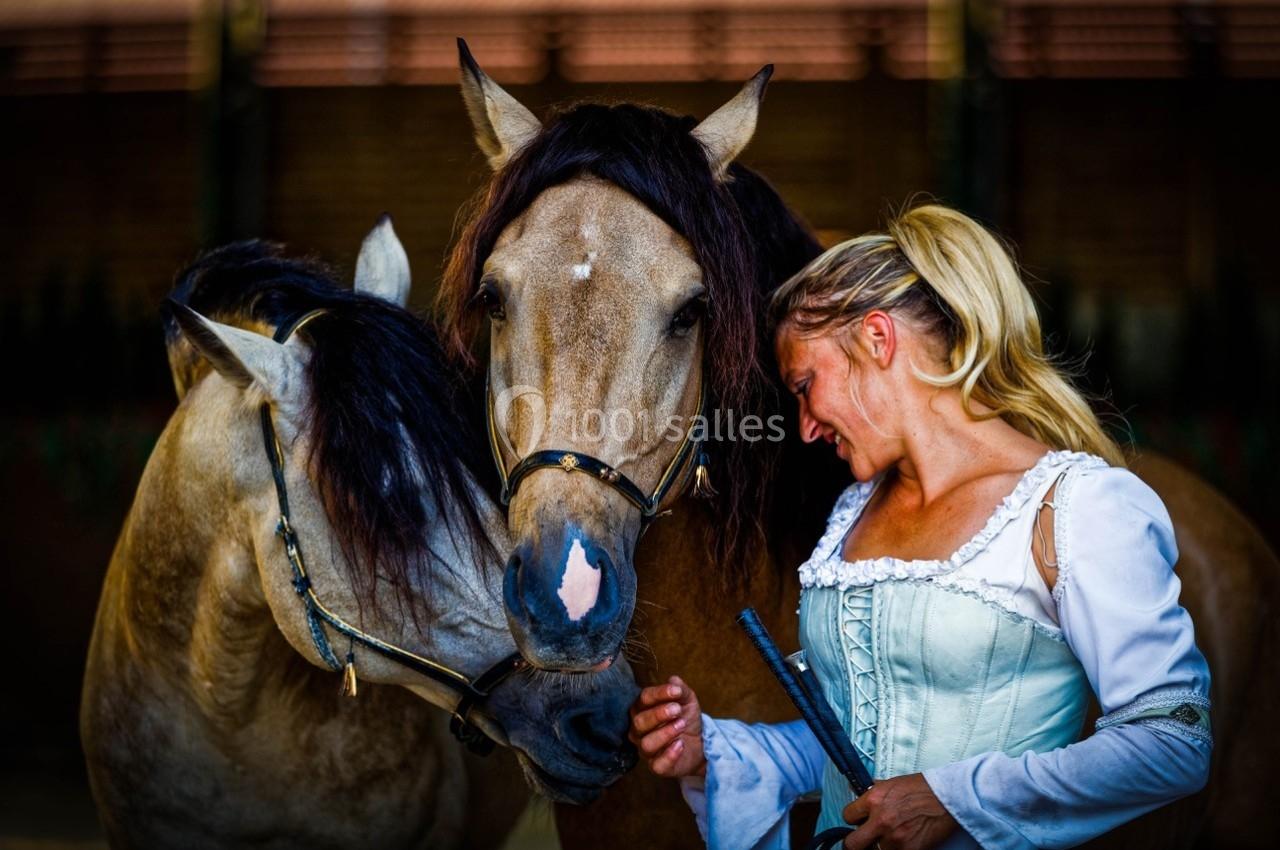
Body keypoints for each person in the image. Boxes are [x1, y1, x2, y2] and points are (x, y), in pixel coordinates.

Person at [627, 204, 1212, 850]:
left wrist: (955, 800)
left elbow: (1172, 738)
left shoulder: (1075, 507)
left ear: (878, 340)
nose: (805, 428)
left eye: (804, 386)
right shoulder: (852, 514)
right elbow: (851, 753)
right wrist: (719, 750)